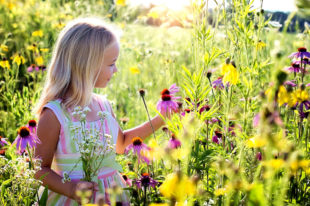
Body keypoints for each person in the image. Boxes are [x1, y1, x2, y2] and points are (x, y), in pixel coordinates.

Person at [34, 17, 166, 205]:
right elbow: (39, 169)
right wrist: (71, 189)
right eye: (111, 63)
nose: (116, 70)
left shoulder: (104, 105)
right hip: (71, 200)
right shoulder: (55, 114)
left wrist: (161, 118)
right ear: (87, 66)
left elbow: (121, 145)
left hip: (112, 196)